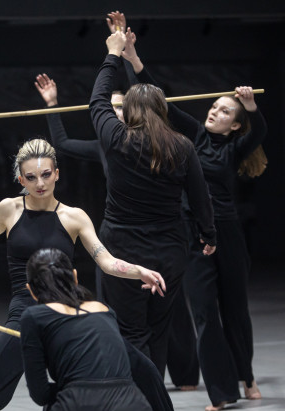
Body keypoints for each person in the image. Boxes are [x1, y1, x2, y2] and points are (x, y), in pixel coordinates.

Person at [0, 138, 209, 411]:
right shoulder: (8, 210)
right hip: (27, 311)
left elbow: (105, 260)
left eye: (46, 175)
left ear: (57, 173)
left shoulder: (74, 217)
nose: (40, 183)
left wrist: (138, 270)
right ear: (21, 179)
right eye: (31, 177)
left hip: (71, 309)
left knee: (143, 368)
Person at [114, 12, 268, 410]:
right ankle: (222, 393)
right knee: (203, 312)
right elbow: (158, 104)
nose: (215, 112)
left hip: (226, 232)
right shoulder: (193, 137)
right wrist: (133, 59)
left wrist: (251, 108)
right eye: (214, 106)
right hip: (192, 234)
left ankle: (246, 375)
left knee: (235, 309)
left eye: (225, 112)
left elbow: (260, 132)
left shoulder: (235, 148)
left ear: (235, 126)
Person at [35, 64, 200, 391]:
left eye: (122, 106)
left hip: (164, 239)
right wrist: (52, 104)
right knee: (131, 320)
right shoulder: (108, 142)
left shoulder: (168, 143)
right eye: (111, 108)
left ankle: (181, 378)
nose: (115, 112)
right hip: (127, 241)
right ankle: (142, 387)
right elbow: (63, 144)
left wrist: (128, 58)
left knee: (169, 316)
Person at [90, 29, 216, 382]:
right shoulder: (182, 146)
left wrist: (112, 55)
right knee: (158, 330)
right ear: (163, 110)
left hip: (122, 251)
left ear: (127, 112)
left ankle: (139, 406)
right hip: (169, 253)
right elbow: (200, 196)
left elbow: (97, 101)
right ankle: (157, 406)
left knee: (131, 331)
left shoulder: (116, 138)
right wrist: (209, 234)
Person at [21, 247, 189, 411]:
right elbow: (145, 369)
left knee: (54, 402)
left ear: (31, 290)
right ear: (75, 277)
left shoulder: (33, 317)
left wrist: (70, 390)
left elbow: (39, 394)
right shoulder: (104, 311)